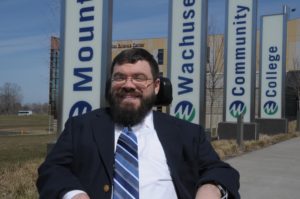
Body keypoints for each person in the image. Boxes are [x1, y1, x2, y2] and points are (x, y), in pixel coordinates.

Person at [37, 48, 240, 199]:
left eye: (139, 78)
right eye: (119, 77)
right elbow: (52, 170)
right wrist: (74, 195)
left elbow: (221, 171)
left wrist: (212, 188)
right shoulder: (81, 127)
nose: (128, 85)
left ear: (157, 86)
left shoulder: (186, 132)